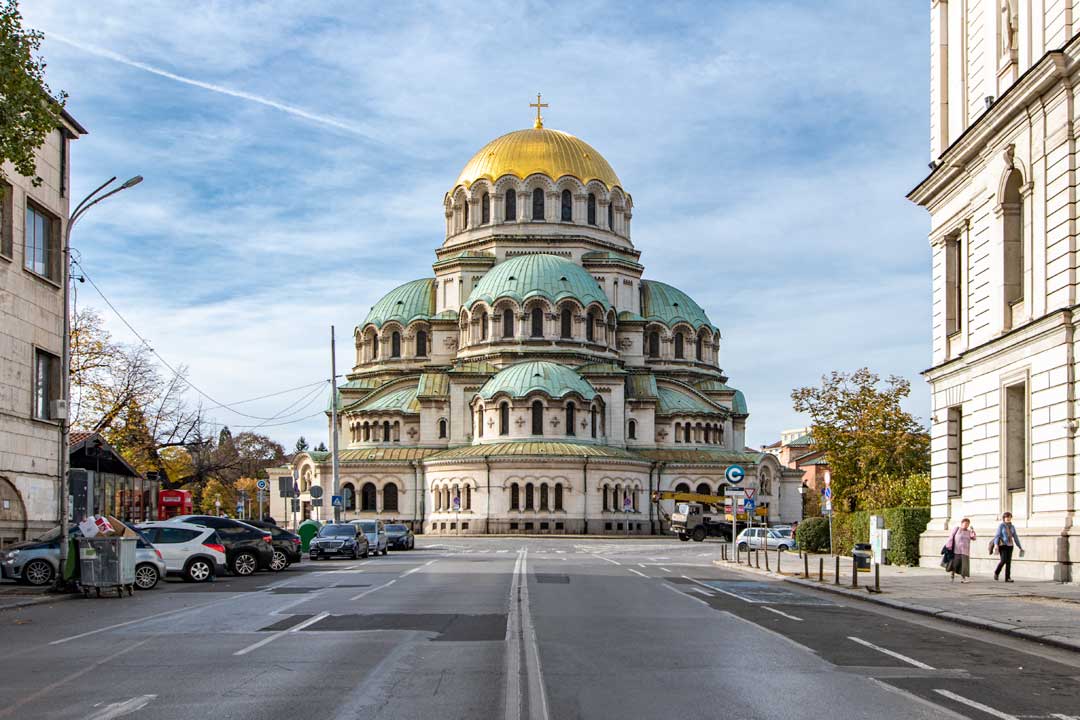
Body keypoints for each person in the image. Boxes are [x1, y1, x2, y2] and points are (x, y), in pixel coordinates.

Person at [992, 512, 1023, 582]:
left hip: (1010, 545)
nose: (1008, 518)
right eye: (1007, 517)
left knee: (1008, 562)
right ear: (1004, 518)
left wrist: (1020, 546)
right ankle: (996, 572)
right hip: (1003, 545)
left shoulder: (1012, 527)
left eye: (1009, 517)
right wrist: (996, 545)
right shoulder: (1001, 526)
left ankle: (1008, 577)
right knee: (1003, 560)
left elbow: (1015, 537)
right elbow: (997, 535)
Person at [946, 518, 976, 583]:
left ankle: (963, 578)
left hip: (965, 551)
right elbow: (951, 537)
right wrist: (949, 546)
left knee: (964, 565)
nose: (966, 525)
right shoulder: (957, 529)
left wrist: (972, 531)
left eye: (968, 524)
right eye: (965, 523)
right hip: (957, 550)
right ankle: (952, 575)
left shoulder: (968, 531)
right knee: (955, 564)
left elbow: (974, 538)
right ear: (962, 523)